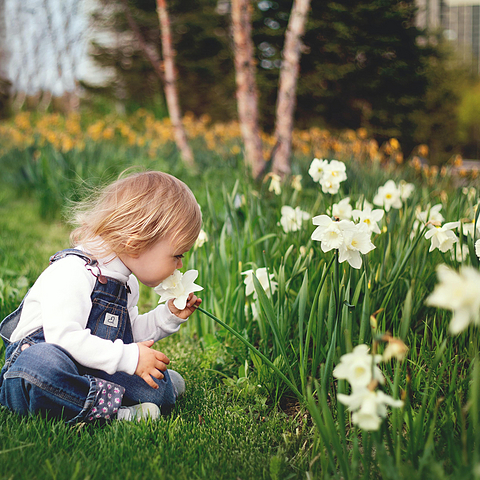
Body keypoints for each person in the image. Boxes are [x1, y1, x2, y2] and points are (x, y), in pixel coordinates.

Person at [0, 170, 202, 423]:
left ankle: (113, 394)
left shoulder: (126, 282)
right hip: (37, 369)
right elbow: (63, 339)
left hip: (87, 366)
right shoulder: (73, 272)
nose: (180, 265)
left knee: (158, 390)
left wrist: (168, 316)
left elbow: (128, 334)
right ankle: (117, 414)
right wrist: (130, 358)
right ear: (135, 243)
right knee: (42, 365)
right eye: (177, 255)